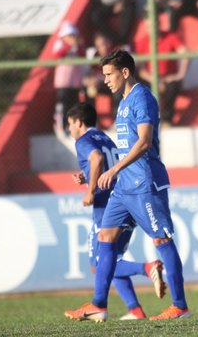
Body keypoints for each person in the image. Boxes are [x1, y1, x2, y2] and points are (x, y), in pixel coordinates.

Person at [64, 50, 191, 322]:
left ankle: (180, 306)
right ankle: (99, 304)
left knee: (162, 240)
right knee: (105, 238)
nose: (105, 80)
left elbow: (144, 142)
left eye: (109, 74)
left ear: (124, 72)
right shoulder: (123, 103)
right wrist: (94, 176)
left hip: (144, 181)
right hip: (123, 187)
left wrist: (114, 168)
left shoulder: (141, 98)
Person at [65, 102, 166, 321]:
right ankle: (135, 309)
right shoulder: (105, 138)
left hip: (106, 208)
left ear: (79, 122)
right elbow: (109, 161)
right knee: (113, 257)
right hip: (125, 198)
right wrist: (87, 176)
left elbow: (97, 159)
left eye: (70, 125)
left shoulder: (83, 141)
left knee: (99, 266)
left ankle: (146, 268)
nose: (70, 130)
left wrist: (90, 191)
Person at [134, 15, 191, 127]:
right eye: (148, 26)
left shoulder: (171, 37)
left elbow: (185, 54)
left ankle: (166, 120)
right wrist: (154, 80)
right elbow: (141, 69)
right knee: (138, 88)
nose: (151, 29)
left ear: (158, 25)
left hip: (168, 77)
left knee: (172, 87)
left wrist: (180, 75)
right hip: (150, 77)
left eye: (153, 25)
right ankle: (144, 122)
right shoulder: (141, 42)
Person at [51, 21, 86, 135]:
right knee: (63, 103)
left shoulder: (77, 47)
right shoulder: (60, 44)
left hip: (74, 81)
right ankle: (61, 125)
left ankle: (72, 126)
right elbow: (56, 55)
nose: (73, 38)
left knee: (74, 104)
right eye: (70, 35)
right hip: (63, 81)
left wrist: (78, 46)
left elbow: (82, 55)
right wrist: (69, 46)